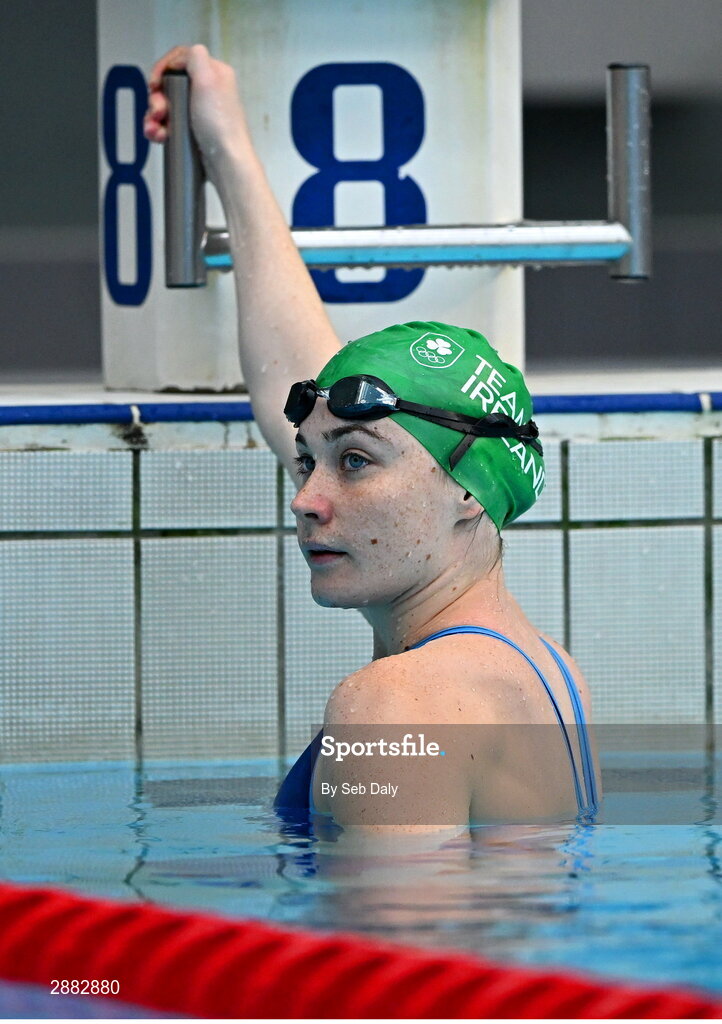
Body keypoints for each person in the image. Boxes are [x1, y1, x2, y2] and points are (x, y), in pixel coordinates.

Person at [144, 45, 601, 834]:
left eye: (354, 462)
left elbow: (388, 957)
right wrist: (225, 143)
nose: (306, 500)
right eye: (308, 460)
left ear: (468, 489)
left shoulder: (396, 706)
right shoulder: (543, 669)